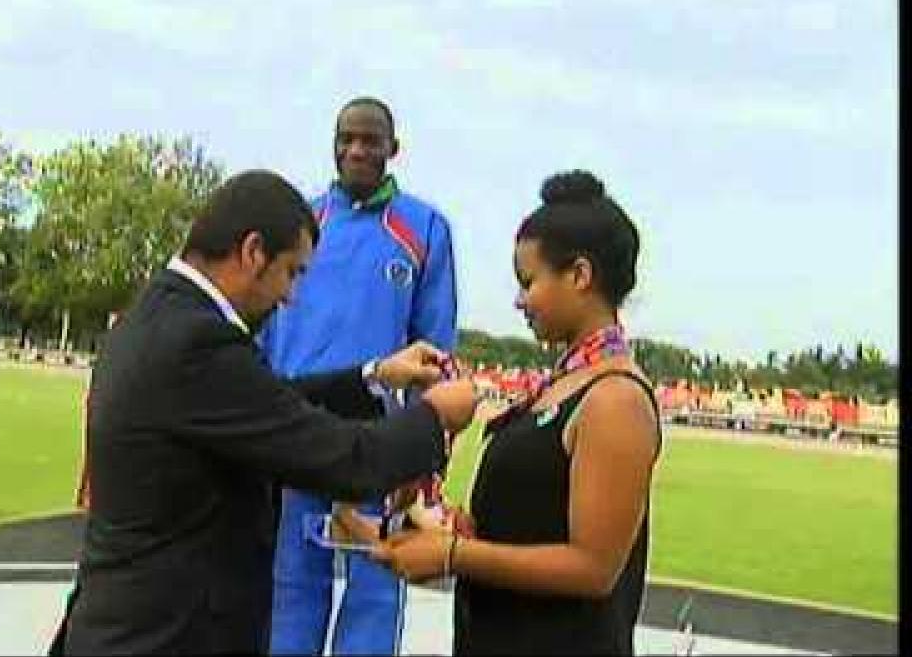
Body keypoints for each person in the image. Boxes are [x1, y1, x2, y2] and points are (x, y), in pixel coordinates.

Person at [59, 169, 477, 655]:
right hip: (168, 637)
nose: (290, 295)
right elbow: (347, 461)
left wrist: (375, 374)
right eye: (292, 272)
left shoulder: (162, 314)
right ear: (253, 251)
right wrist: (435, 417)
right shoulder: (199, 342)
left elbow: (267, 402)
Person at [372, 170, 662, 655]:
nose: (520, 300)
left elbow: (593, 568)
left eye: (529, 282)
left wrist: (454, 554)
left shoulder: (615, 399)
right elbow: (534, 524)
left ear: (580, 276)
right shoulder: (564, 384)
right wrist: (459, 529)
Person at [261, 95, 458, 656]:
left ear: (393, 149)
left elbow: (434, 353)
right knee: (291, 589)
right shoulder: (303, 222)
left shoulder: (423, 229)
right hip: (296, 429)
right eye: (345, 138)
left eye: (370, 140)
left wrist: (423, 458)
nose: (356, 150)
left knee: (375, 589)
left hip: (378, 442)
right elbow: (264, 329)